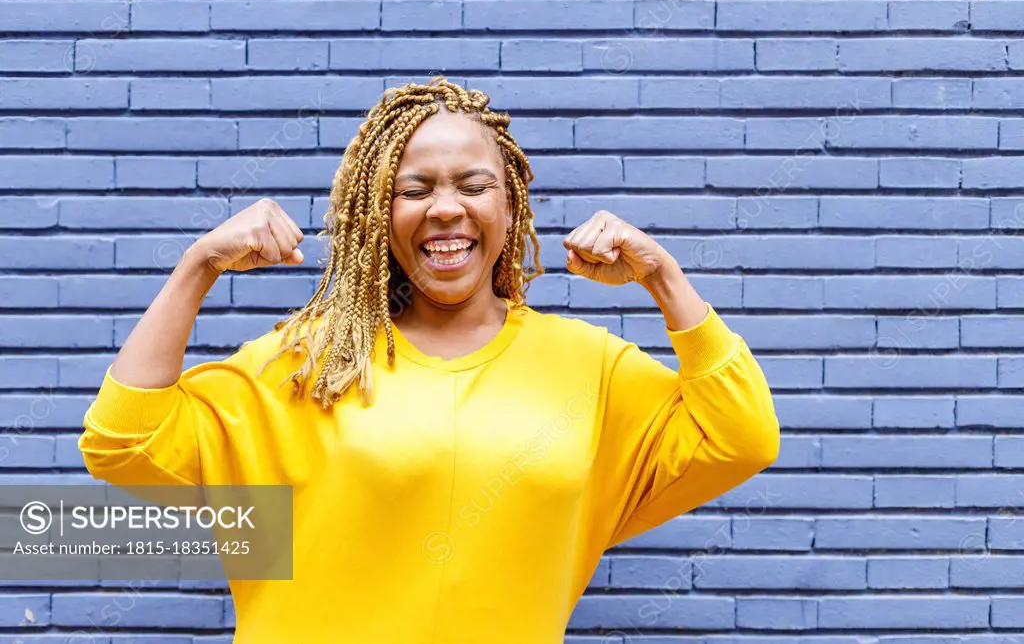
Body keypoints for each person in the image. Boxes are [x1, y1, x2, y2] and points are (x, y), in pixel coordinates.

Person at [79, 76, 779, 643]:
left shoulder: (590, 366)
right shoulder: (313, 360)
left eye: (473, 186)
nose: (446, 209)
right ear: (376, 216)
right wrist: (196, 268)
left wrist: (665, 279)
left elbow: (741, 437)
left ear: (511, 208)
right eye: (414, 191)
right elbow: (122, 442)